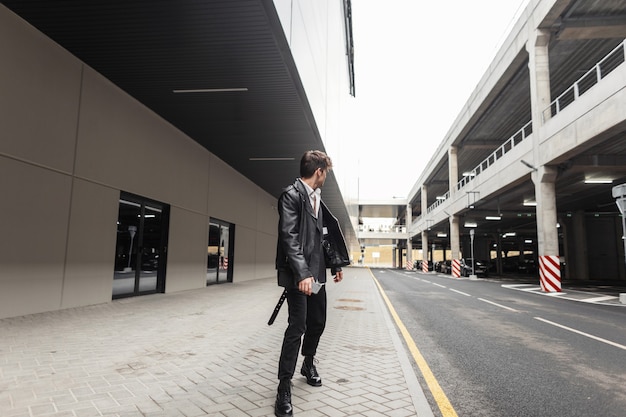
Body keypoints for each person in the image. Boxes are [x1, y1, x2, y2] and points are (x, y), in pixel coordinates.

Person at [274, 150, 349, 417]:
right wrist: (303, 274)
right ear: (319, 171)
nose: (326, 177)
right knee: (297, 327)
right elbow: (289, 237)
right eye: (326, 172)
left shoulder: (317, 199)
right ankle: (284, 386)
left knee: (318, 323)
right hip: (299, 276)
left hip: (318, 275)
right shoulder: (291, 195)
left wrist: (335, 264)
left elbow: (322, 237)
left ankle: (308, 364)